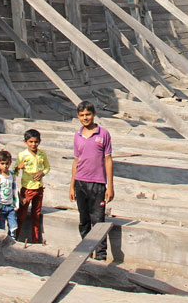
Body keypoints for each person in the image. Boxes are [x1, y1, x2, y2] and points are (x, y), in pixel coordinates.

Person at [69, 101, 114, 261]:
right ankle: (85, 252)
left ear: (94, 114)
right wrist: (72, 186)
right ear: (78, 116)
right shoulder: (77, 135)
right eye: (82, 115)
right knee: (84, 219)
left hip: (97, 183)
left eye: (88, 114)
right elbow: (76, 161)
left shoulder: (103, 134)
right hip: (80, 181)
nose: (85, 118)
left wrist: (110, 186)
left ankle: (100, 255)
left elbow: (108, 160)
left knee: (98, 220)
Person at [15, 128, 50, 243]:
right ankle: (15, 237)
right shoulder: (22, 155)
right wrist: (17, 168)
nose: (33, 144)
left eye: (36, 142)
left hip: (39, 188)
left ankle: (35, 240)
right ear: (25, 142)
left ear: (39, 141)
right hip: (27, 189)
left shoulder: (42, 154)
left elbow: (47, 167)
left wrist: (42, 173)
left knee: (36, 215)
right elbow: (14, 172)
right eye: (30, 142)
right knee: (21, 215)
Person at [0, 150, 19, 239]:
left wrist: (17, 201)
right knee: (1, 227)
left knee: (13, 225)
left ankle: (13, 240)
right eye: (2, 163)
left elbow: (15, 188)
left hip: (10, 205)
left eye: (7, 163)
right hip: (1, 206)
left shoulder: (12, 175)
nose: (5, 166)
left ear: (10, 163)